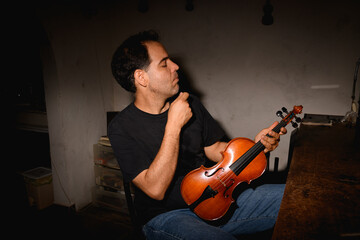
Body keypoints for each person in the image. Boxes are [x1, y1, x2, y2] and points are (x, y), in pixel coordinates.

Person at [108, 30, 287, 239]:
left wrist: (255, 147)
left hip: (217, 200)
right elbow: (155, 189)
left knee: (294, 196)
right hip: (166, 216)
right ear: (141, 77)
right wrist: (173, 125)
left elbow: (215, 150)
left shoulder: (190, 103)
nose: (176, 66)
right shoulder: (121, 127)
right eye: (164, 63)